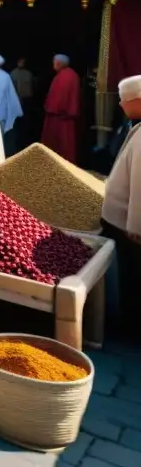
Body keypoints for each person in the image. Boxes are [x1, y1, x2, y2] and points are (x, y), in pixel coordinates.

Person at [101, 75, 141, 330]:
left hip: (131, 227)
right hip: (127, 220)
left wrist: (136, 225)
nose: (120, 105)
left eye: (124, 100)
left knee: (132, 277)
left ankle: (130, 325)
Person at [42, 53, 82, 164]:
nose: (53, 64)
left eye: (55, 62)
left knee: (62, 144)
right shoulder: (68, 75)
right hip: (62, 116)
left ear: (60, 63)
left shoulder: (66, 76)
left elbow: (60, 99)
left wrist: (53, 107)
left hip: (61, 117)